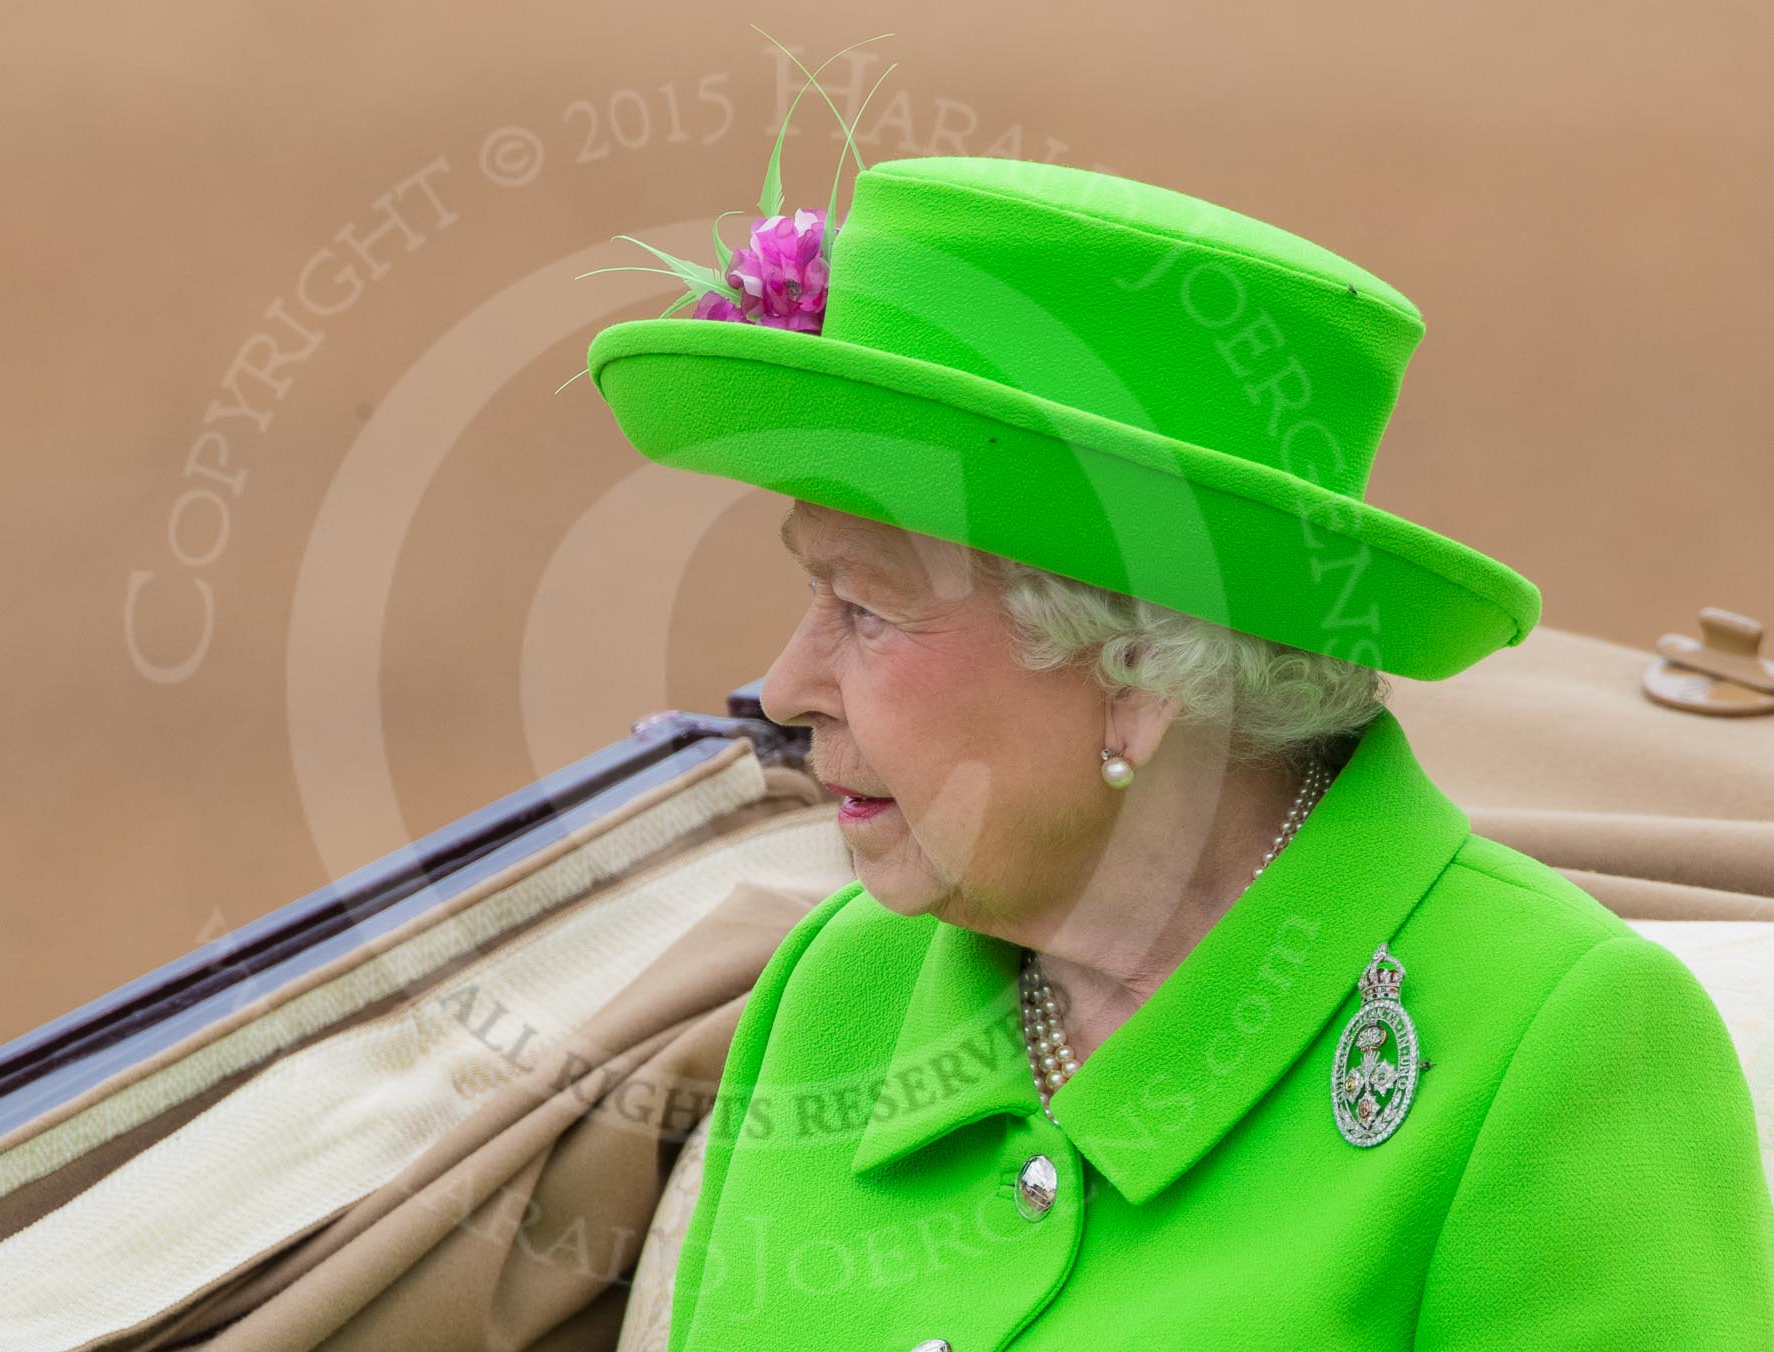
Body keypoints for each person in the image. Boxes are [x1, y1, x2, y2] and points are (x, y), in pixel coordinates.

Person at [582, 152, 1774, 1348]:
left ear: (1142, 677)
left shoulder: (1552, 1044)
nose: (785, 688)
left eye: (866, 608)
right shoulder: (843, 980)